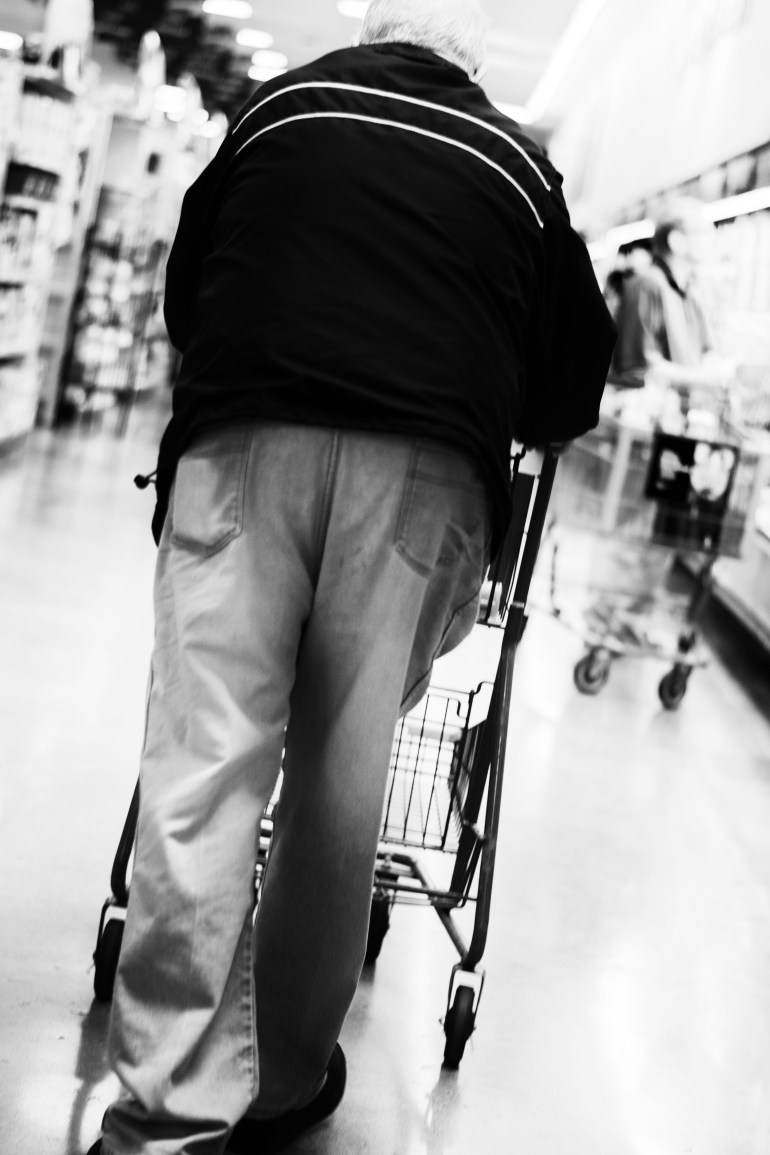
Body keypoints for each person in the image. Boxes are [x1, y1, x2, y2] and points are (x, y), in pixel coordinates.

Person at [87, 2, 614, 1152]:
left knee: (207, 756)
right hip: (423, 483)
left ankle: (167, 1106)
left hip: (245, 445)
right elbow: (573, 383)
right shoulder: (519, 167)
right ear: (469, 71)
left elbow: (190, 298)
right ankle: (281, 1081)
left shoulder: (277, 111)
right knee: (342, 769)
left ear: (372, 36)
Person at [608, 198, 731, 393]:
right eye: (703, 232)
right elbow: (638, 368)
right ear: (676, 241)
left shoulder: (692, 291)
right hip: (644, 416)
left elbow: (707, 350)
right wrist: (705, 377)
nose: (712, 239)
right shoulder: (646, 286)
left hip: (678, 414)